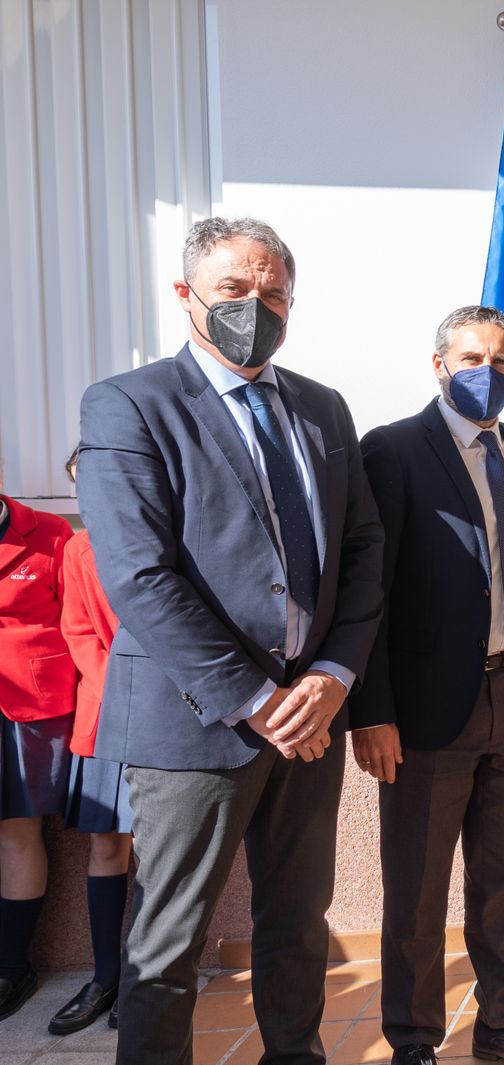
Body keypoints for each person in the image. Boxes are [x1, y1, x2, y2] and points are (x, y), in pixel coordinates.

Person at [75, 217, 386, 1064]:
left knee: (299, 922)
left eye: (273, 292)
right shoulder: (129, 404)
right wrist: (256, 699)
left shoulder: (322, 407)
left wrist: (333, 673)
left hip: (311, 716)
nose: (256, 306)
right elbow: (139, 576)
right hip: (197, 722)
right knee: (169, 943)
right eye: (234, 290)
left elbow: (362, 550)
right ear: (187, 296)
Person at [351, 306, 504, 1065]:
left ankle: (503, 1024)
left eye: (503, 360)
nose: (490, 371)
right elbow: (370, 590)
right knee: (416, 886)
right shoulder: (393, 450)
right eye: (473, 358)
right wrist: (371, 711)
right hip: (424, 710)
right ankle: (414, 1039)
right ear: (440, 365)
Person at [50, 445, 135, 1035]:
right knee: (107, 845)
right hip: (106, 716)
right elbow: (79, 631)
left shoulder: (171, 534)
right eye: (79, 483)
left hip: (173, 719)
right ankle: (105, 976)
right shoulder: (78, 549)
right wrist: (127, 698)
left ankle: (147, 980)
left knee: (163, 851)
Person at [0, 471, 74, 1023]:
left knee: (17, 830)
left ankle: (12, 966)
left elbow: (78, 620)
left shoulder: (49, 532)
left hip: (30, 707)